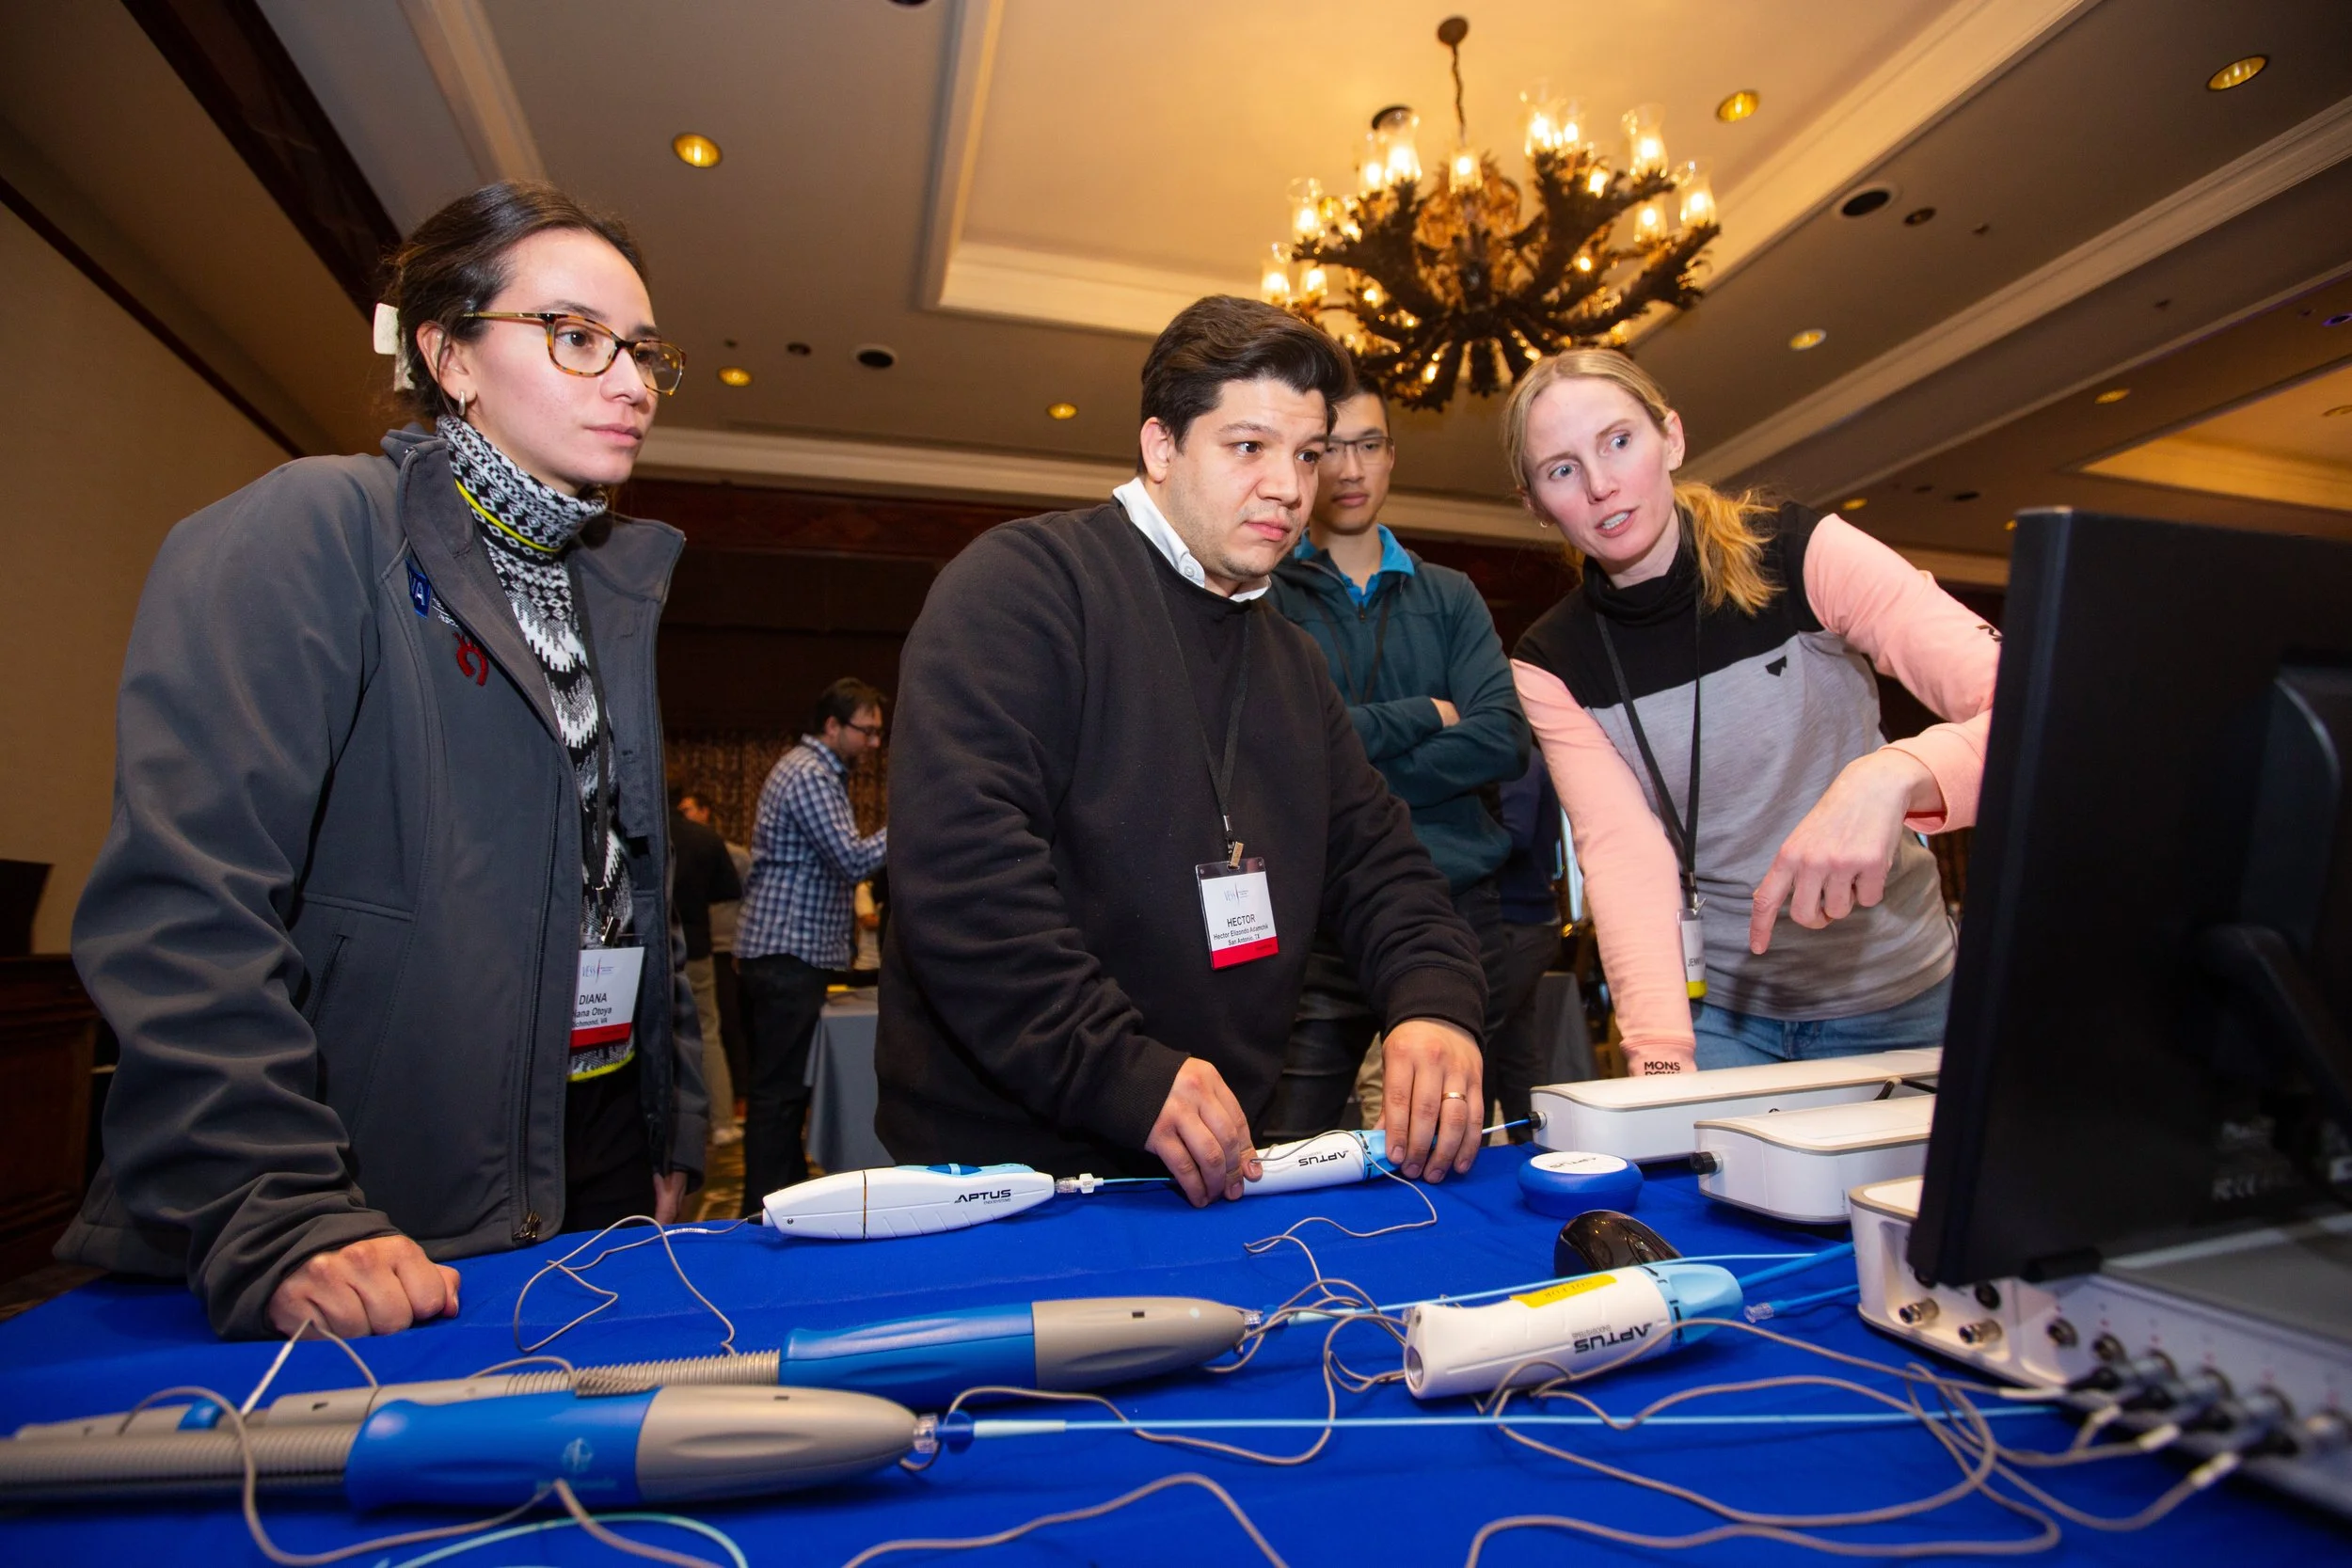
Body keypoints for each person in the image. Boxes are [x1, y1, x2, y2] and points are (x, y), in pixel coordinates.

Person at [57, 181, 707, 1338]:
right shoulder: (316, 526)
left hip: (594, 1162)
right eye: (576, 337)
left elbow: (634, 903)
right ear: (449, 354)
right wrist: (280, 1205)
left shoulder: (607, 590)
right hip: (365, 1186)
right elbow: (184, 906)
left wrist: (669, 1133)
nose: (632, 382)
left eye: (645, 351)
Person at [875, 296, 1488, 1204]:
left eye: (1307, 454)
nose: (1289, 486)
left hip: (1212, 1162)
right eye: (1249, 447)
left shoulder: (1292, 659)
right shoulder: (1023, 585)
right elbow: (963, 880)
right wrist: (1122, 1068)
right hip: (1007, 1172)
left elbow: (1384, 868)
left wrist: (1435, 998)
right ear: (1161, 448)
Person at [1504, 350, 1998, 1074]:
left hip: (1906, 997)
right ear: (1536, 503)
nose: (1602, 484)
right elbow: (1624, 856)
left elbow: (2030, 711)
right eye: (1562, 469)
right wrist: (1661, 1058)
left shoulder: (1799, 551)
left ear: (1670, 437)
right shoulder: (1550, 660)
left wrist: (1898, 772)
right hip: (1725, 1020)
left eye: (1618, 441)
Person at [1264, 384, 1528, 1137]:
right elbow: (1283, 749)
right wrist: (1426, 715)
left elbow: (1503, 739)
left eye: (1369, 444)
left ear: (1391, 458)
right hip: (1321, 912)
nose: (1350, 467)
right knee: (1284, 1142)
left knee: (1459, 1137)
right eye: (1329, 447)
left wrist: (1341, 754)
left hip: (1459, 902)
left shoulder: (1450, 595)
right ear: (1307, 461)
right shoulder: (1264, 596)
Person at [735, 679, 889, 1208]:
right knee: (778, 1096)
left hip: (791, 957)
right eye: (867, 731)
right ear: (832, 726)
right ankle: (762, 1210)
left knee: (784, 1093)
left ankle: (778, 1201)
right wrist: (914, 821)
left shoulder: (820, 772)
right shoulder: (810, 772)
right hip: (786, 956)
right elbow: (851, 859)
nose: (874, 743)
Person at [1486, 752, 1566, 1134]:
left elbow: (1513, 834)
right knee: (1515, 1046)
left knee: (1481, 1037)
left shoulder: (1517, 761)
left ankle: (1472, 1149)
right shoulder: (1522, 760)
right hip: (1519, 920)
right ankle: (1534, 1141)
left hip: (1519, 921)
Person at [672, 784, 744, 1145]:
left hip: (644, 949)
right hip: (695, 944)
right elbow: (728, 891)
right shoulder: (705, 840)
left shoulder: (636, 830)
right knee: (708, 1033)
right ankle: (721, 1121)